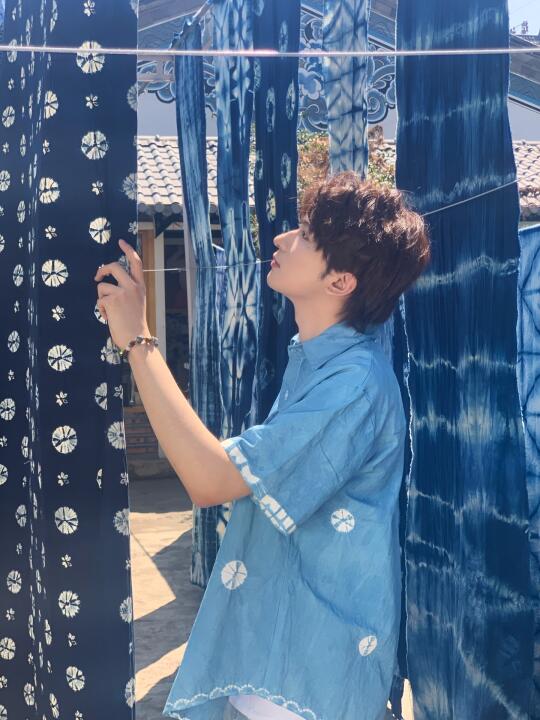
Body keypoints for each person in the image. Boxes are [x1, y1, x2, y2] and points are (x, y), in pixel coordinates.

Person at [94, 171, 431, 720]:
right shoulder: (320, 360)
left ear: (340, 281)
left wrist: (139, 339)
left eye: (305, 235)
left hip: (315, 663)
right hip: (284, 646)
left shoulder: (353, 384)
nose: (280, 238)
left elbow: (210, 478)